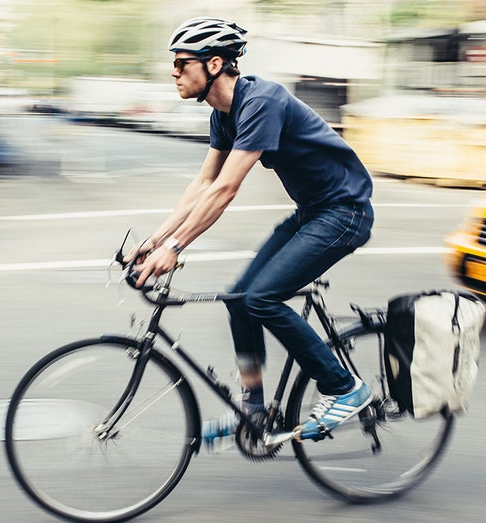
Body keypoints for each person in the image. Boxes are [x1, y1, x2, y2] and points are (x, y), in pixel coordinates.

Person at [129, 17, 375, 441]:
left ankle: (344, 388)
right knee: (239, 298)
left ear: (214, 64)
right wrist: (155, 239)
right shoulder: (223, 114)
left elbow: (225, 189)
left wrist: (175, 246)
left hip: (345, 212)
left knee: (262, 299)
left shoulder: (262, 101)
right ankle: (254, 410)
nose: (173, 71)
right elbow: (203, 184)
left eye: (181, 62)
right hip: (312, 212)